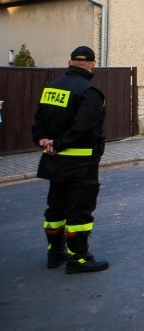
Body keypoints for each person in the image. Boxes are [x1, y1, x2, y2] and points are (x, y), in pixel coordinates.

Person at [31, 46, 109, 274]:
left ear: (69, 62)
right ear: (93, 64)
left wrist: (43, 140)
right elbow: (84, 127)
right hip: (80, 163)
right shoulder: (89, 92)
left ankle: (55, 254)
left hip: (54, 161)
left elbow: (39, 119)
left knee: (55, 207)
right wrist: (60, 143)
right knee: (79, 211)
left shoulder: (51, 87)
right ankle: (79, 258)